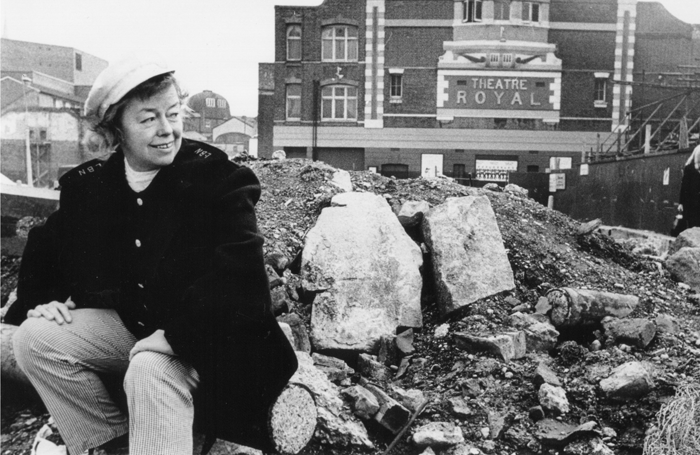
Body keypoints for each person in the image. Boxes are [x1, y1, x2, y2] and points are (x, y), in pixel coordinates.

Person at [6, 55, 297, 455]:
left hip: (220, 340)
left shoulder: (218, 180)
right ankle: (113, 445)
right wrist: (42, 302)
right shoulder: (94, 187)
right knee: (34, 340)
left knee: (150, 370)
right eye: (147, 120)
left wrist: (173, 337)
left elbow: (241, 275)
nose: (167, 131)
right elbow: (49, 243)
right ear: (115, 132)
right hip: (139, 326)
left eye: (173, 114)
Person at [678, 144, 700, 230]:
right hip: (692, 203)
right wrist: (681, 203)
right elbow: (684, 187)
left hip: (694, 203)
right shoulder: (689, 169)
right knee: (693, 224)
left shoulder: (689, 168)